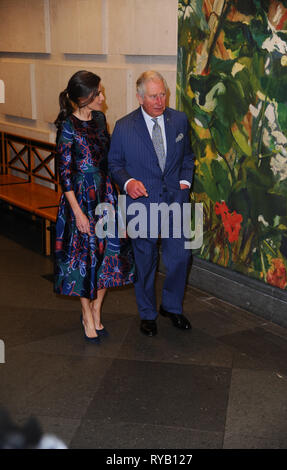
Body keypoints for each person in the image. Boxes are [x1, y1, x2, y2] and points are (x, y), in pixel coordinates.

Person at [108, 70, 194, 337]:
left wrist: (185, 182)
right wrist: (128, 182)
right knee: (145, 261)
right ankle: (147, 313)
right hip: (141, 202)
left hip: (175, 201)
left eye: (163, 94)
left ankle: (171, 307)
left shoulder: (179, 120)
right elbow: (114, 164)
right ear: (140, 97)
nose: (160, 100)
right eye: (154, 96)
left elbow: (188, 157)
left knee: (181, 257)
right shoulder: (124, 127)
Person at [54, 70, 135, 344]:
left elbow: (109, 158)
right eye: (98, 93)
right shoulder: (67, 126)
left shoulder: (100, 119)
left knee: (108, 256)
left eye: (101, 92)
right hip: (80, 199)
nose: (102, 97)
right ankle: (86, 312)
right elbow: (64, 173)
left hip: (105, 196)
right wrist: (77, 213)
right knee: (85, 259)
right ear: (84, 98)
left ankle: (98, 306)